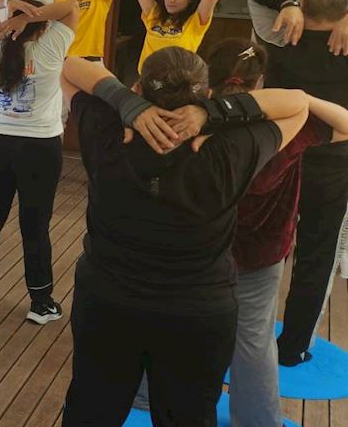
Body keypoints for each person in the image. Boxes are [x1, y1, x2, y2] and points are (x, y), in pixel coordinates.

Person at [60, 49, 308, 426]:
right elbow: (298, 106)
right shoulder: (231, 146)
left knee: (91, 413)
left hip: (107, 304)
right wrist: (214, 114)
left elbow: (69, 67)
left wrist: (126, 104)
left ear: (138, 88)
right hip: (198, 315)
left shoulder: (109, 128)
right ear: (207, 94)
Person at [199, 39, 348, 427]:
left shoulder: (194, 121)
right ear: (260, 82)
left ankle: (149, 394)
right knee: (253, 339)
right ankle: (258, 420)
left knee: (185, 322)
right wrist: (302, 98)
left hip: (202, 248)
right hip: (261, 251)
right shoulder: (286, 128)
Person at [247, 0, 348, 366]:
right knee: (316, 257)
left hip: (277, 158)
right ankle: (293, 348)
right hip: (331, 166)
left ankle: (241, 332)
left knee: (259, 246)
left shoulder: (278, 31)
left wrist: (288, 4)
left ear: (305, 3)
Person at [0, 0, 77, 324]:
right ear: (42, 26)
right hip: (39, 146)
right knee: (34, 224)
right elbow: (71, 7)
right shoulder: (50, 46)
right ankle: (41, 302)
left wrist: (12, 6)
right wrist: (28, 16)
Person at [133, 0, 221, 72]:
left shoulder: (195, 22)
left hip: (177, 79)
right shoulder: (155, 15)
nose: (171, 0)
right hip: (147, 77)